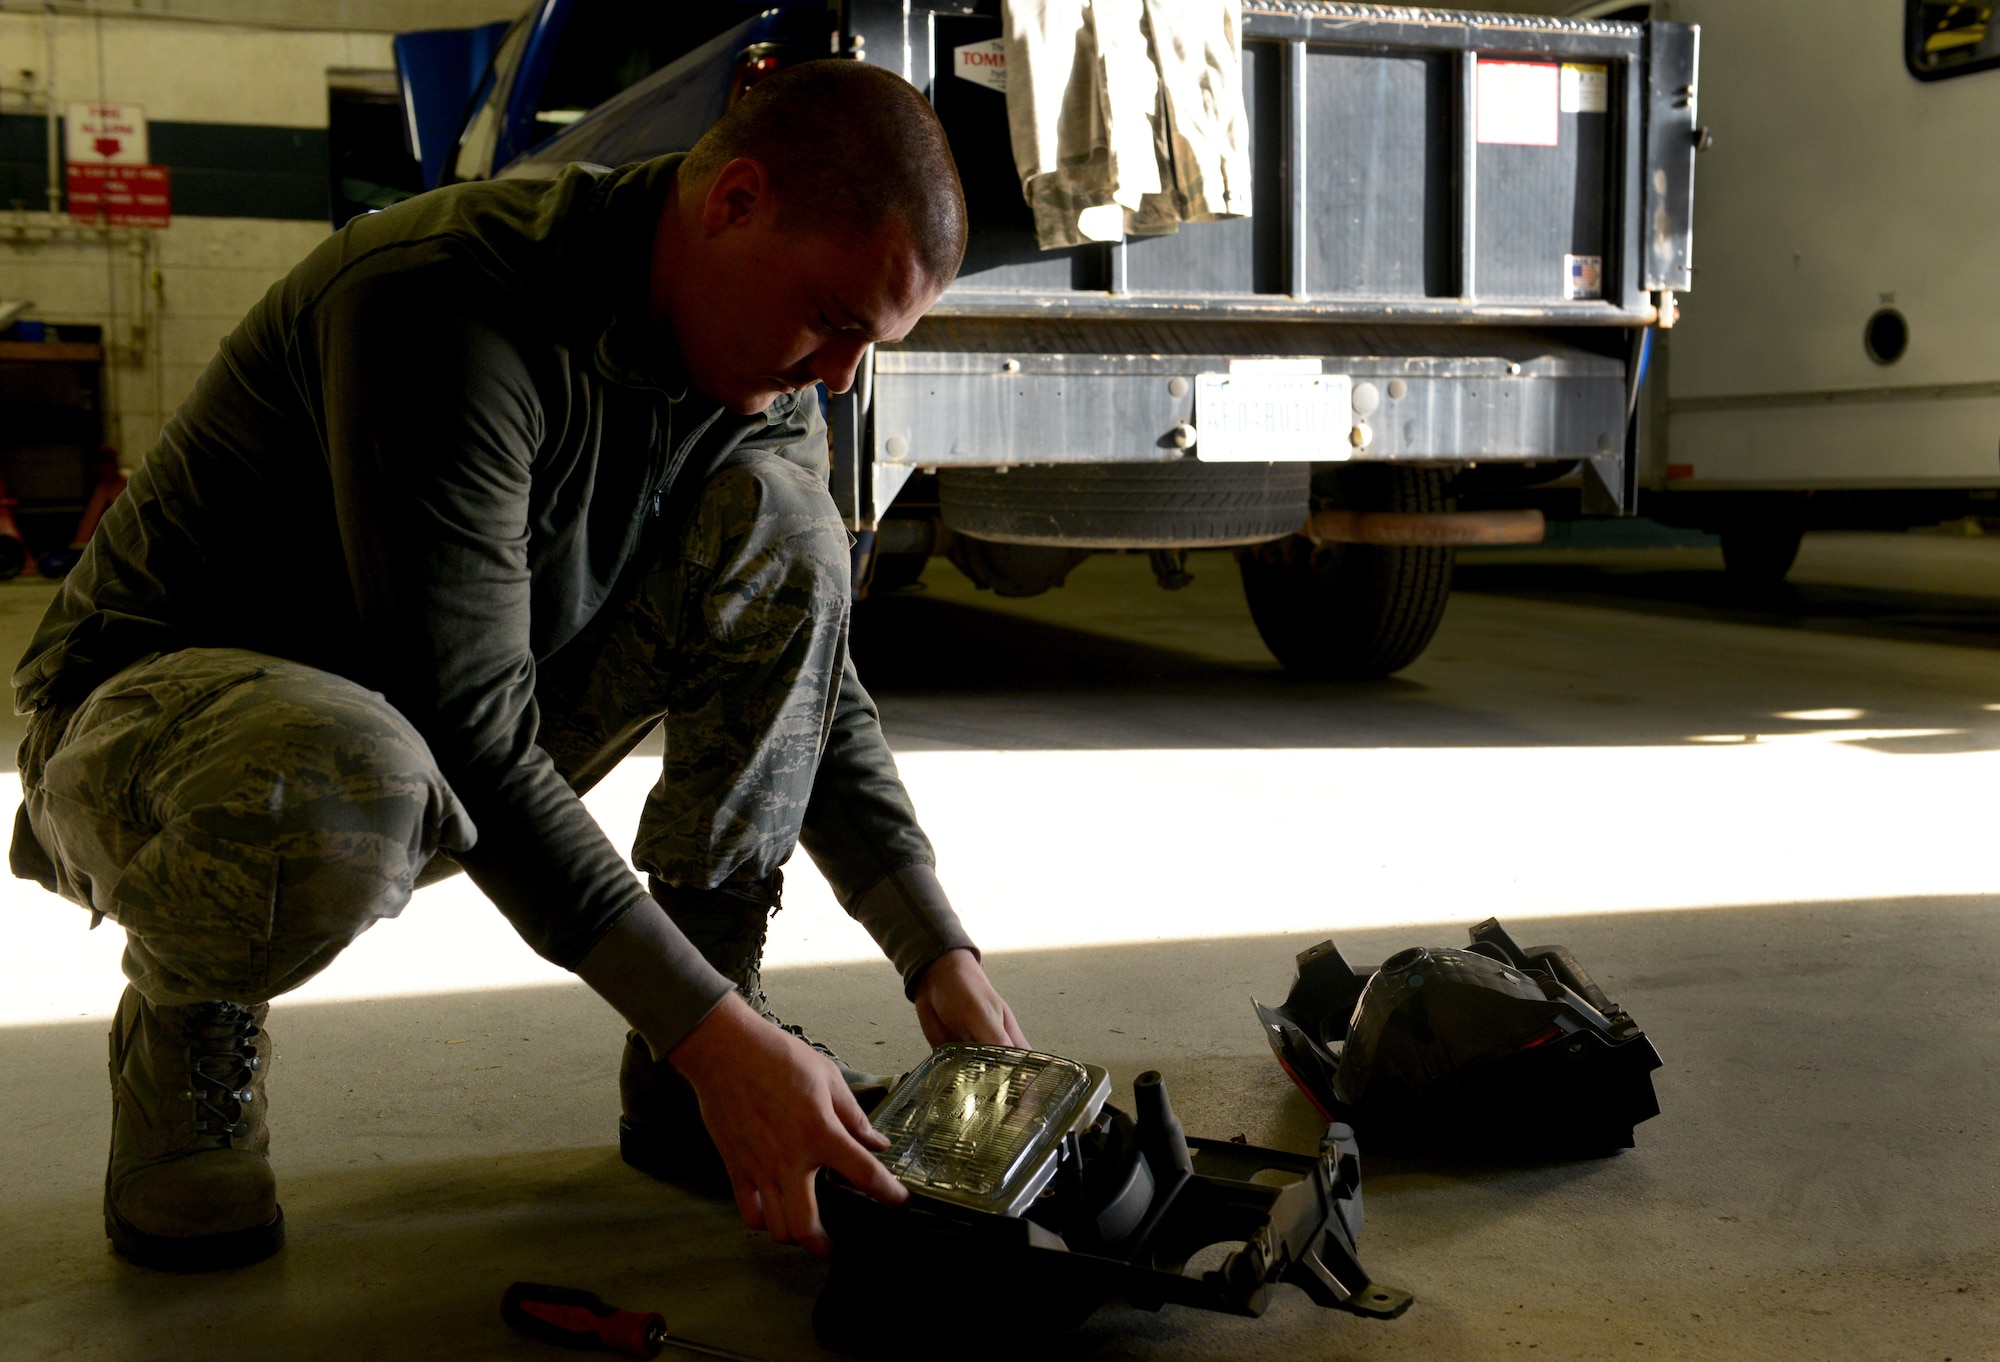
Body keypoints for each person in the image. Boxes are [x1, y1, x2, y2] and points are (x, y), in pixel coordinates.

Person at [9, 60, 1026, 1272]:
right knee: (339, 776)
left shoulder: (760, 370)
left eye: (873, 342)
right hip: (163, 726)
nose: (840, 376)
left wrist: (933, 949)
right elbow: (467, 730)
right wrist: (720, 1041)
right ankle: (188, 1028)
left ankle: (685, 1063)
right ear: (735, 200)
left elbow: (813, 671)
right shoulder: (443, 301)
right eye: (834, 321)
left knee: (793, 530)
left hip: (424, 714)